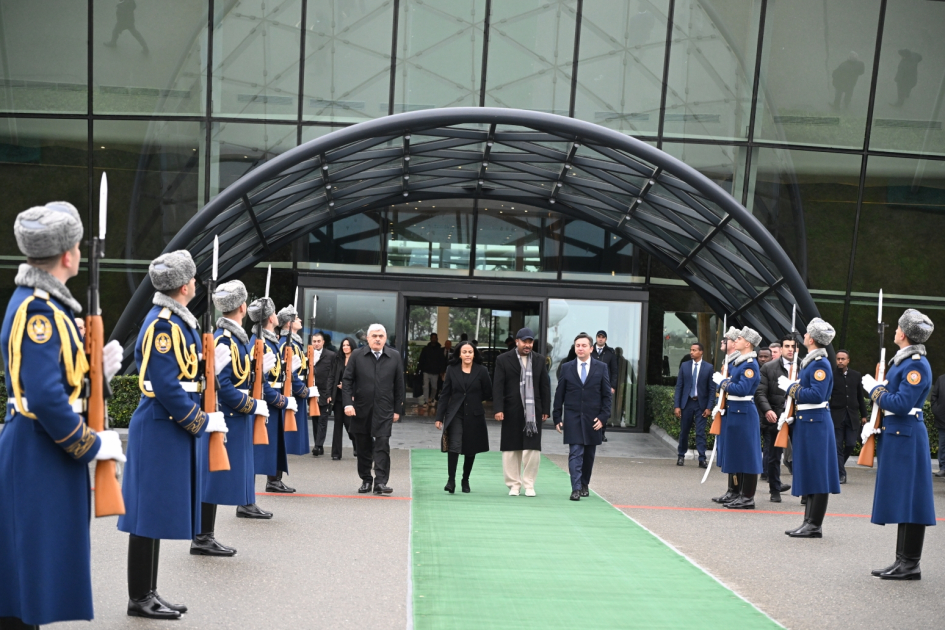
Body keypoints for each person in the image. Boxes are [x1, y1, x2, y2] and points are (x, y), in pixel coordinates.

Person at [0, 202, 125, 628]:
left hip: (44, 446)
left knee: (34, 570)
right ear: (69, 256)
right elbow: (43, 397)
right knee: (27, 573)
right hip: (39, 448)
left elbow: (55, 379)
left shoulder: (48, 305)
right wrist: (90, 445)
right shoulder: (40, 310)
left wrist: (95, 376)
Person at [118, 250, 229, 619]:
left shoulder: (178, 321)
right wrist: (199, 420)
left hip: (166, 426)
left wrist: (207, 367)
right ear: (184, 286)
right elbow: (164, 385)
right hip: (158, 425)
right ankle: (139, 597)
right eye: (193, 279)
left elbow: (182, 372)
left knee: (153, 514)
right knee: (146, 514)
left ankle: (148, 591)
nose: (195, 283)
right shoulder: (164, 325)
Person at [193, 280, 269, 555]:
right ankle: (202, 537)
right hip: (227, 416)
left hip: (235, 417)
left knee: (216, 476)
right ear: (242, 307)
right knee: (211, 477)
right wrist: (251, 405)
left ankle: (205, 535)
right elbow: (223, 387)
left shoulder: (236, 339)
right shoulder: (224, 340)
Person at [863, 309, 936, 580]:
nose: (894, 331)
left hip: (906, 435)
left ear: (903, 334)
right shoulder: (903, 361)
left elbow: (903, 404)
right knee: (905, 498)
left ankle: (910, 563)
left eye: (897, 328)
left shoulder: (915, 364)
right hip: (898, 434)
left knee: (913, 499)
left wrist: (875, 391)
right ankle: (902, 560)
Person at [780, 318, 841, 538]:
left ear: (812, 339)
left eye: (806, 334)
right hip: (808, 421)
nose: (804, 336)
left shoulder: (819, 364)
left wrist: (792, 388)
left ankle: (814, 524)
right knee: (810, 471)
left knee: (818, 474)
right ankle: (808, 521)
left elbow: (817, 394)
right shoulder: (811, 362)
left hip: (816, 422)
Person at [343, 324, 405, 495]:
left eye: (381, 336)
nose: (378, 339)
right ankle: (366, 479)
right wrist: (348, 404)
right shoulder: (357, 355)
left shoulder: (394, 356)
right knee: (363, 446)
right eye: (374, 336)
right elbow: (347, 380)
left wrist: (397, 409)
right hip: (361, 409)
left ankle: (381, 482)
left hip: (384, 409)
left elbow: (399, 384)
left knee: (382, 444)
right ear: (368, 338)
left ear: (385, 338)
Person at [553, 333, 612, 501]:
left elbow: (606, 396)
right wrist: (557, 416)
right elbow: (559, 393)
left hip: (593, 419)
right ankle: (576, 488)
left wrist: (603, 417)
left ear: (591, 348)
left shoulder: (601, 368)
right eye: (577, 345)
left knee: (588, 455)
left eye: (584, 345)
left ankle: (584, 483)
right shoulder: (567, 367)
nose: (580, 348)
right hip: (572, 417)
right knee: (575, 452)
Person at [493, 328, 551, 497]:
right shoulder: (503, 359)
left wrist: (545, 409)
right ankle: (514, 485)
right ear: (517, 341)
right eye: (524, 341)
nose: (527, 345)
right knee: (511, 449)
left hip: (533, 412)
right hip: (511, 409)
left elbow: (545, 386)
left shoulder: (540, 360)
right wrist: (498, 408)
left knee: (532, 450)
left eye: (530, 342)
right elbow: (498, 385)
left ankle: (529, 484)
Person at [712, 326, 763, 509]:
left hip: (744, 412)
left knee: (747, 456)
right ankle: (737, 492)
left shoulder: (749, 364)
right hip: (735, 411)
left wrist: (723, 383)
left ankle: (747, 496)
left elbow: (742, 389)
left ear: (747, 343)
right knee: (736, 454)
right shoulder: (739, 363)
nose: (736, 341)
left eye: (739, 339)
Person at [248, 298, 294, 494]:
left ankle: (274, 480)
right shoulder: (260, 342)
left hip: (274, 397)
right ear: (269, 318)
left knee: (275, 444)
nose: (277, 316)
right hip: (267, 400)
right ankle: (248, 497)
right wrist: (280, 400)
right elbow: (259, 380)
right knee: (256, 451)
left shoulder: (269, 341)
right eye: (274, 313)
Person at [434, 341, 492, 493]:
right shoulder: (451, 370)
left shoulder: (482, 371)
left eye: (470, 352)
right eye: (464, 352)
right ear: (459, 354)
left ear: (474, 354)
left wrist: (475, 400)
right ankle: (451, 481)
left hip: (474, 414)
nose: (467, 355)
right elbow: (445, 394)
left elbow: (488, 392)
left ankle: (465, 480)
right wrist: (439, 417)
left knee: (470, 449)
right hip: (455, 413)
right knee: (454, 445)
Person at [756, 334, 795, 502]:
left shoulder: (803, 367)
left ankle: (804, 493)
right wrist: (767, 410)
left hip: (798, 417)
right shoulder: (769, 367)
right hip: (775, 417)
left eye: (793, 346)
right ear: (781, 348)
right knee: (773, 456)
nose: (790, 349)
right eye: (787, 346)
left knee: (801, 455)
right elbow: (760, 392)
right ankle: (775, 490)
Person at [278, 305, 318, 458]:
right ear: (289, 323)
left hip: (296, 388)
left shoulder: (294, 343)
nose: (300, 320)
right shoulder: (286, 343)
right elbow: (289, 373)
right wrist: (304, 391)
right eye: (296, 318)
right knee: (288, 437)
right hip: (292, 390)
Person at [711, 327, 742, 504]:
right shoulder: (729, 360)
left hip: (732, 409)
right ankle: (731, 490)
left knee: (733, 452)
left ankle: (736, 490)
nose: (723, 342)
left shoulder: (737, 362)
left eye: (727, 340)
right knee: (727, 451)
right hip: (724, 408)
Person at [673, 342, 716, 468]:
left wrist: (709, 407)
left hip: (701, 404)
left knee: (700, 432)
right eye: (691, 350)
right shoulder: (685, 366)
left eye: (694, 350)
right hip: (687, 403)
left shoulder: (708, 367)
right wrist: (677, 406)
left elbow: (712, 389)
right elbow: (679, 386)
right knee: (684, 431)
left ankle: (702, 459)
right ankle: (681, 456)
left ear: (701, 352)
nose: (691, 352)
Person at [831, 349, 868, 484]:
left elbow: (860, 396)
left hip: (852, 416)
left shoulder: (856, 375)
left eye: (843, 359)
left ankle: (838, 465)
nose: (840, 361)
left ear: (848, 360)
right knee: (837, 446)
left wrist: (864, 415)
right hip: (836, 417)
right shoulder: (831, 375)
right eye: (838, 359)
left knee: (851, 444)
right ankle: (841, 473)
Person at [309, 332, 336, 457]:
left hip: (325, 391)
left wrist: (331, 392)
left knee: (323, 419)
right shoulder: (308, 354)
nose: (316, 344)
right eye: (314, 341)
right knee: (315, 418)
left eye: (318, 341)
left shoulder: (331, 355)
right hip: (312, 391)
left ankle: (318, 445)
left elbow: (333, 374)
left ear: (323, 342)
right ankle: (318, 444)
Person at [330, 337, 357, 460]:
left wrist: (348, 387)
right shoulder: (338, 359)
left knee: (349, 424)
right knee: (337, 425)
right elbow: (331, 376)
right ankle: (336, 453)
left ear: (352, 346)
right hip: (338, 396)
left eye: (348, 345)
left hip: (350, 397)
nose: (345, 347)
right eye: (343, 345)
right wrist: (329, 394)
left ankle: (357, 446)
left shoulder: (356, 359)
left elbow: (359, 378)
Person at [593, 330, 619, 442]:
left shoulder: (610, 352)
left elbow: (614, 371)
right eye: (599, 337)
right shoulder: (591, 350)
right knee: (592, 408)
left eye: (602, 337)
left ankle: (602, 433)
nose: (600, 339)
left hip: (605, 385)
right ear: (596, 338)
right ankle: (592, 431)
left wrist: (612, 386)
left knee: (604, 408)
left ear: (606, 339)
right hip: (592, 385)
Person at [417, 333, 447, 410]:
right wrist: (419, 369)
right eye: (432, 338)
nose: (433, 339)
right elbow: (421, 359)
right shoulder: (426, 349)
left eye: (435, 338)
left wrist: (442, 370)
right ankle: (426, 401)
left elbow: (442, 361)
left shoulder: (439, 350)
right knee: (425, 386)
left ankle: (432, 398)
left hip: (435, 371)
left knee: (434, 387)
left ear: (436, 339)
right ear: (430, 339)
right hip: (426, 370)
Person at [930, 372, 945, 478]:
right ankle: (943, 468)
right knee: (943, 445)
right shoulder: (941, 379)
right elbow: (934, 396)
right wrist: (936, 410)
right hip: (942, 419)